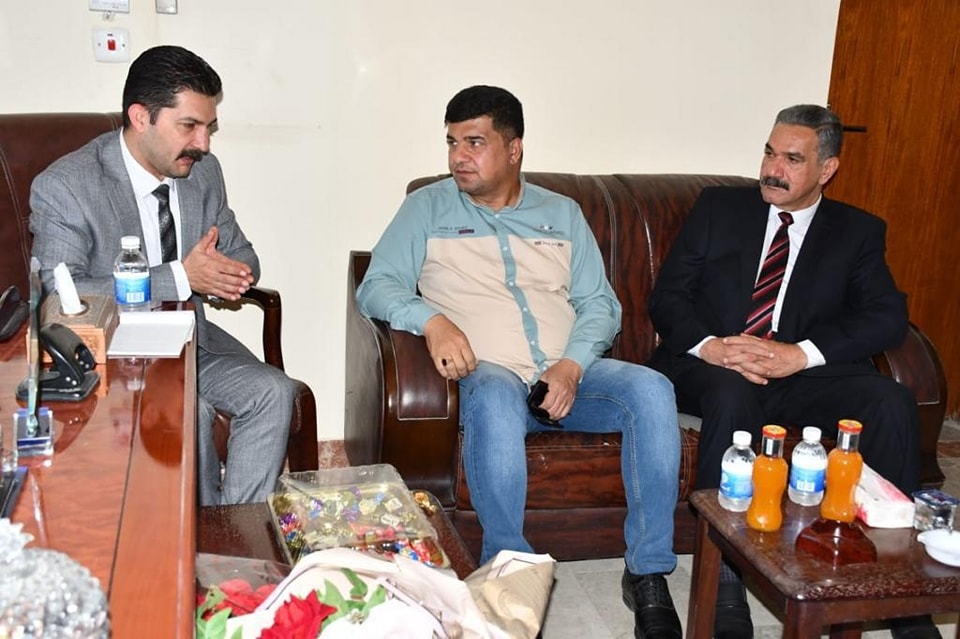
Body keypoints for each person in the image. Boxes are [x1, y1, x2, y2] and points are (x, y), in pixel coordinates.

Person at [357, 85, 683, 639]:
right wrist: (432, 321)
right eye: (452, 142)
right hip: (489, 374)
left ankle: (647, 573)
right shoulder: (427, 208)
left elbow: (600, 305)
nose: (459, 156)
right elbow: (376, 286)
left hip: (569, 376)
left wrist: (572, 366)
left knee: (652, 389)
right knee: (492, 389)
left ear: (514, 149)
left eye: (475, 143)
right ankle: (507, 572)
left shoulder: (562, 213)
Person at [649, 104, 935, 639]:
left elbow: (886, 316)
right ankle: (726, 574)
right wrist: (713, 347)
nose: (772, 169)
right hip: (713, 365)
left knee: (890, 401)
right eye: (769, 153)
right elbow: (668, 296)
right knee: (732, 394)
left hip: (798, 374)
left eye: (792, 159)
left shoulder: (856, 231)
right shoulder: (718, 208)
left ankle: (900, 587)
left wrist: (800, 355)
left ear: (827, 169)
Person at [30, 45, 295, 507]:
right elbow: (60, 292)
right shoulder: (67, 186)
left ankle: (238, 532)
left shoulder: (203, 173)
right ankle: (193, 533)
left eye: (208, 128)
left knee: (274, 392)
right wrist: (181, 277)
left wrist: (228, 274)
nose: (203, 144)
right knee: (188, 410)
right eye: (189, 126)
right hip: (114, 358)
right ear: (141, 117)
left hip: (191, 345)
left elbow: (242, 254)